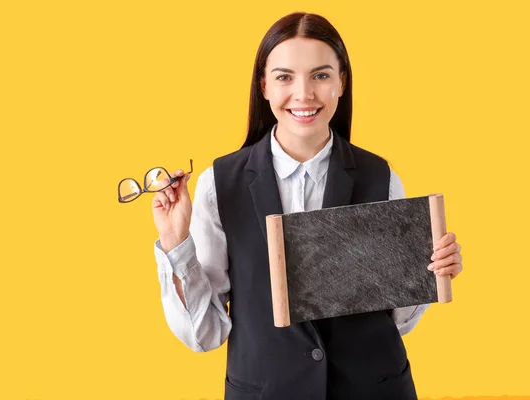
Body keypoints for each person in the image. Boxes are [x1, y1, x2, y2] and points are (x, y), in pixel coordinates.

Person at [150, 12, 463, 400]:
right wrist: (176, 244)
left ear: (341, 82)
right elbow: (206, 334)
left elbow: (396, 320)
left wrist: (428, 272)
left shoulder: (379, 176)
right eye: (284, 77)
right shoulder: (219, 184)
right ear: (263, 85)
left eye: (321, 75)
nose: (304, 94)